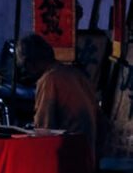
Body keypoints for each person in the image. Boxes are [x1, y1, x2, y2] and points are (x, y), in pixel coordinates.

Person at [16, 33, 107, 162]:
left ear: (30, 63)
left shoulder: (50, 79)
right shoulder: (76, 75)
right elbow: (101, 121)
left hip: (67, 159)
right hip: (86, 159)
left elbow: (44, 130)